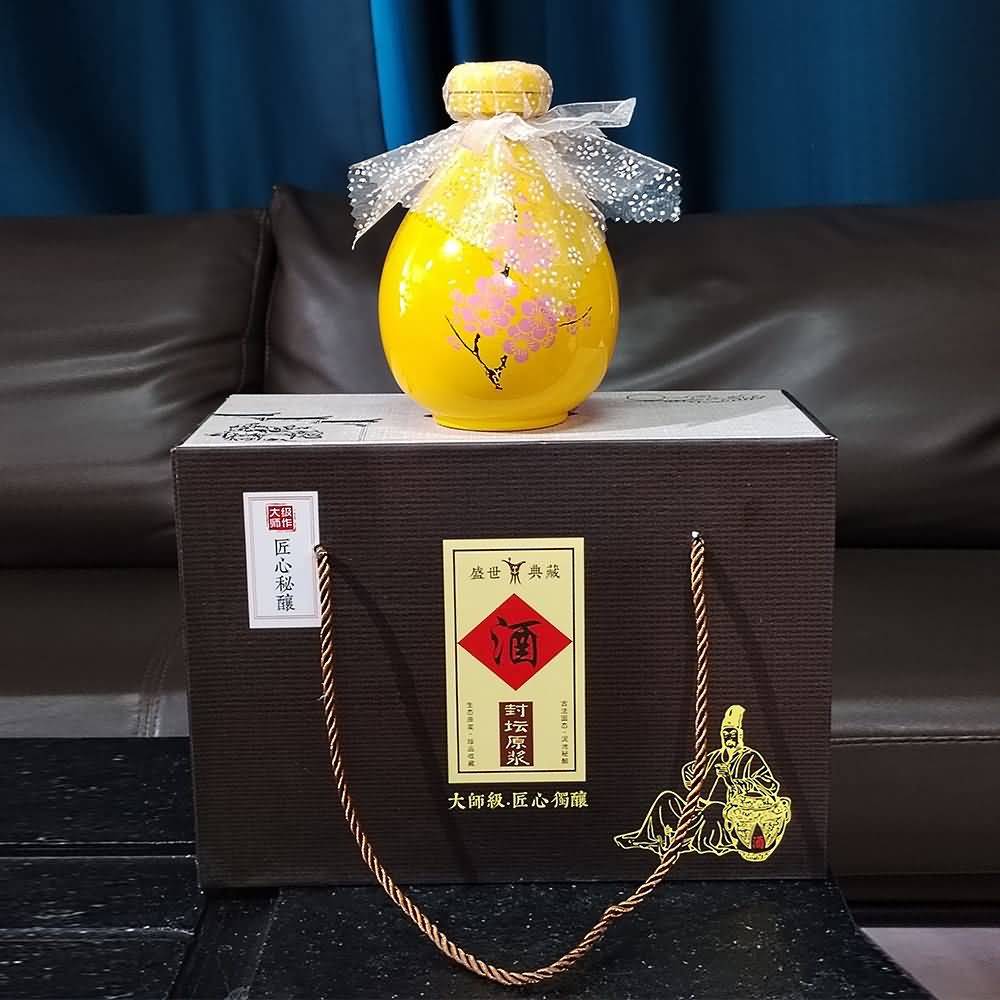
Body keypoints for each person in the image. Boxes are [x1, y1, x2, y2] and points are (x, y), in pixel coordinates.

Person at [614, 705, 789, 859]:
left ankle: (686, 841)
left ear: (740, 735)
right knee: (666, 799)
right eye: (726, 733)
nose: (729, 737)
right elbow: (693, 772)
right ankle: (655, 837)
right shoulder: (714, 756)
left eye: (732, 733)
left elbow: (770, 786)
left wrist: (731, 779)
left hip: (727, 812)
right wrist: (691, 773)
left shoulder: (750, 757)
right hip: (699, 807)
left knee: (714, 809)